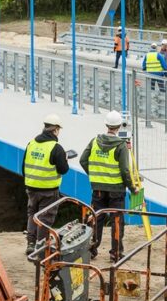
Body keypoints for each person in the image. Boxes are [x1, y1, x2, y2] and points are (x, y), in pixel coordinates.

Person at [80, 110, 137, 261]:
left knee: (96, 218)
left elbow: (83, 160)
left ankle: (91, 249)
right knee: (117, 220)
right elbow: (125, 171)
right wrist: (132, 188)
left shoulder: (94, 141)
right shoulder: (121, 145)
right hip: (116, 191)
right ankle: (116, 253)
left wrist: (95, 176)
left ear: (106, 124)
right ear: (119, 126)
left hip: (98, 189)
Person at [22, 113, 69, 255]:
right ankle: (40, 245)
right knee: (45, 217)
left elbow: (24, 167)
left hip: (31, 187)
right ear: (55, 130)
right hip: (49, 189)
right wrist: (65, 159)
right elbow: (63, 170)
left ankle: (30, 242)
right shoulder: (56, 148)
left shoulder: (31, 144)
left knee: (32, 214)